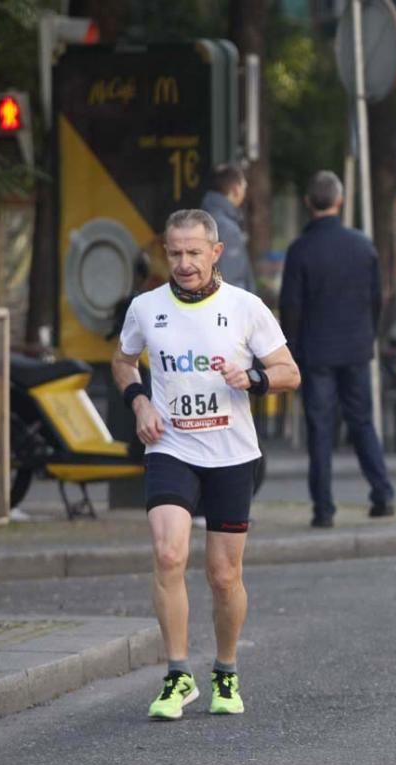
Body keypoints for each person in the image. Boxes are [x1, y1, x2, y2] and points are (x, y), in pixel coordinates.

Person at [112, 209, 301, 719]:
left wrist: (253, 378)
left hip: (231, 454)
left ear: (216, 253)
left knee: (223, 574)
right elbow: (123, 360)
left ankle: (225, 670)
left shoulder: (245, 308)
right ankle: (177, 675)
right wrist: (140, 402)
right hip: (171, 448)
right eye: (174, 253)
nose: (184, 263)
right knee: (169, 554)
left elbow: (289, 372)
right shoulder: (146, 308)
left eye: (194, 253)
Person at [280, 170, 395, 527]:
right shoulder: (363, 245)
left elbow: (292, 308)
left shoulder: (300, 250)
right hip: (356, 348)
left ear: (307, 203)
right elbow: (377, 299)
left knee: (320, 428)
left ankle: (324, 508)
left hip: (315, 354)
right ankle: (382, 495)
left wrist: (290, 354)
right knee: (362, 422)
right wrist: (367, 335)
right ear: (340, 201)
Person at [201, 163, 255, 293]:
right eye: (244, 188)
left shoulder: (199, 219)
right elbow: (233, 282)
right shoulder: (228, 229)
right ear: (236, 190)